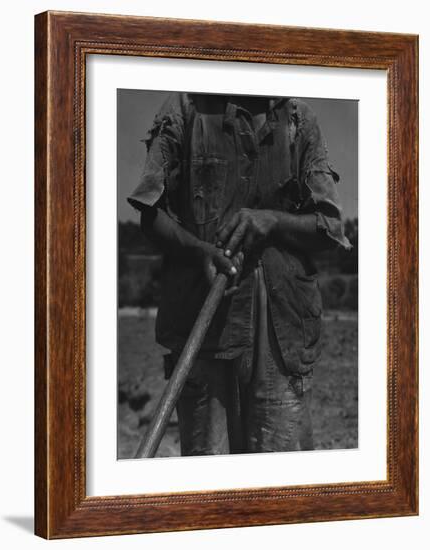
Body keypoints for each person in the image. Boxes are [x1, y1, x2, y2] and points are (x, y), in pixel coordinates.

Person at [127, 92, 351, 456]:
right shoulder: (185, 109)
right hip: (201, 321)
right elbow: (151, 214)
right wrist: (199, 250)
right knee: (207, 478)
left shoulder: (298, 118)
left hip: (283, 329)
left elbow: (330, 226)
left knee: (280, 483)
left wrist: (272, 221)